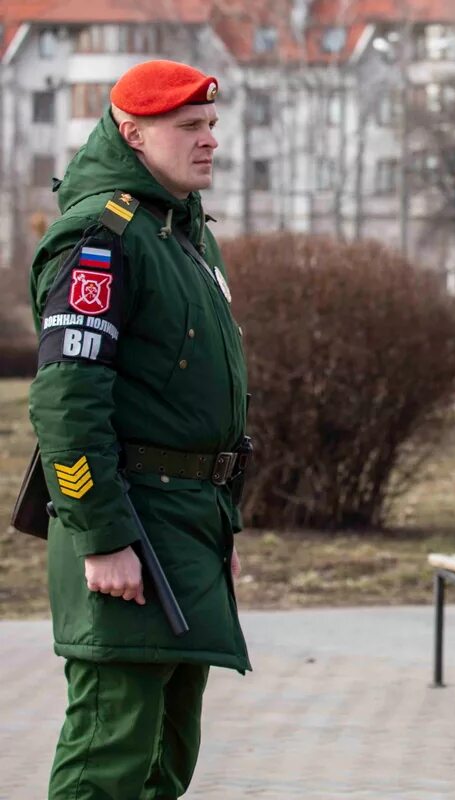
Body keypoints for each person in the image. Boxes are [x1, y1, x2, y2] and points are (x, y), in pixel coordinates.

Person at [28, 59, 250, 798]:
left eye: (212, 125)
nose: (209, 140)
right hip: (132, 528)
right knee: (109, 757)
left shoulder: (179, 231)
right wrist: (102, 536)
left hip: (186, 526)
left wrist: (223, 530)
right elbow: (67, 400)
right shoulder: (103, 236)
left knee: (165, 757)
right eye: (188, 127)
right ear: (131, 132)